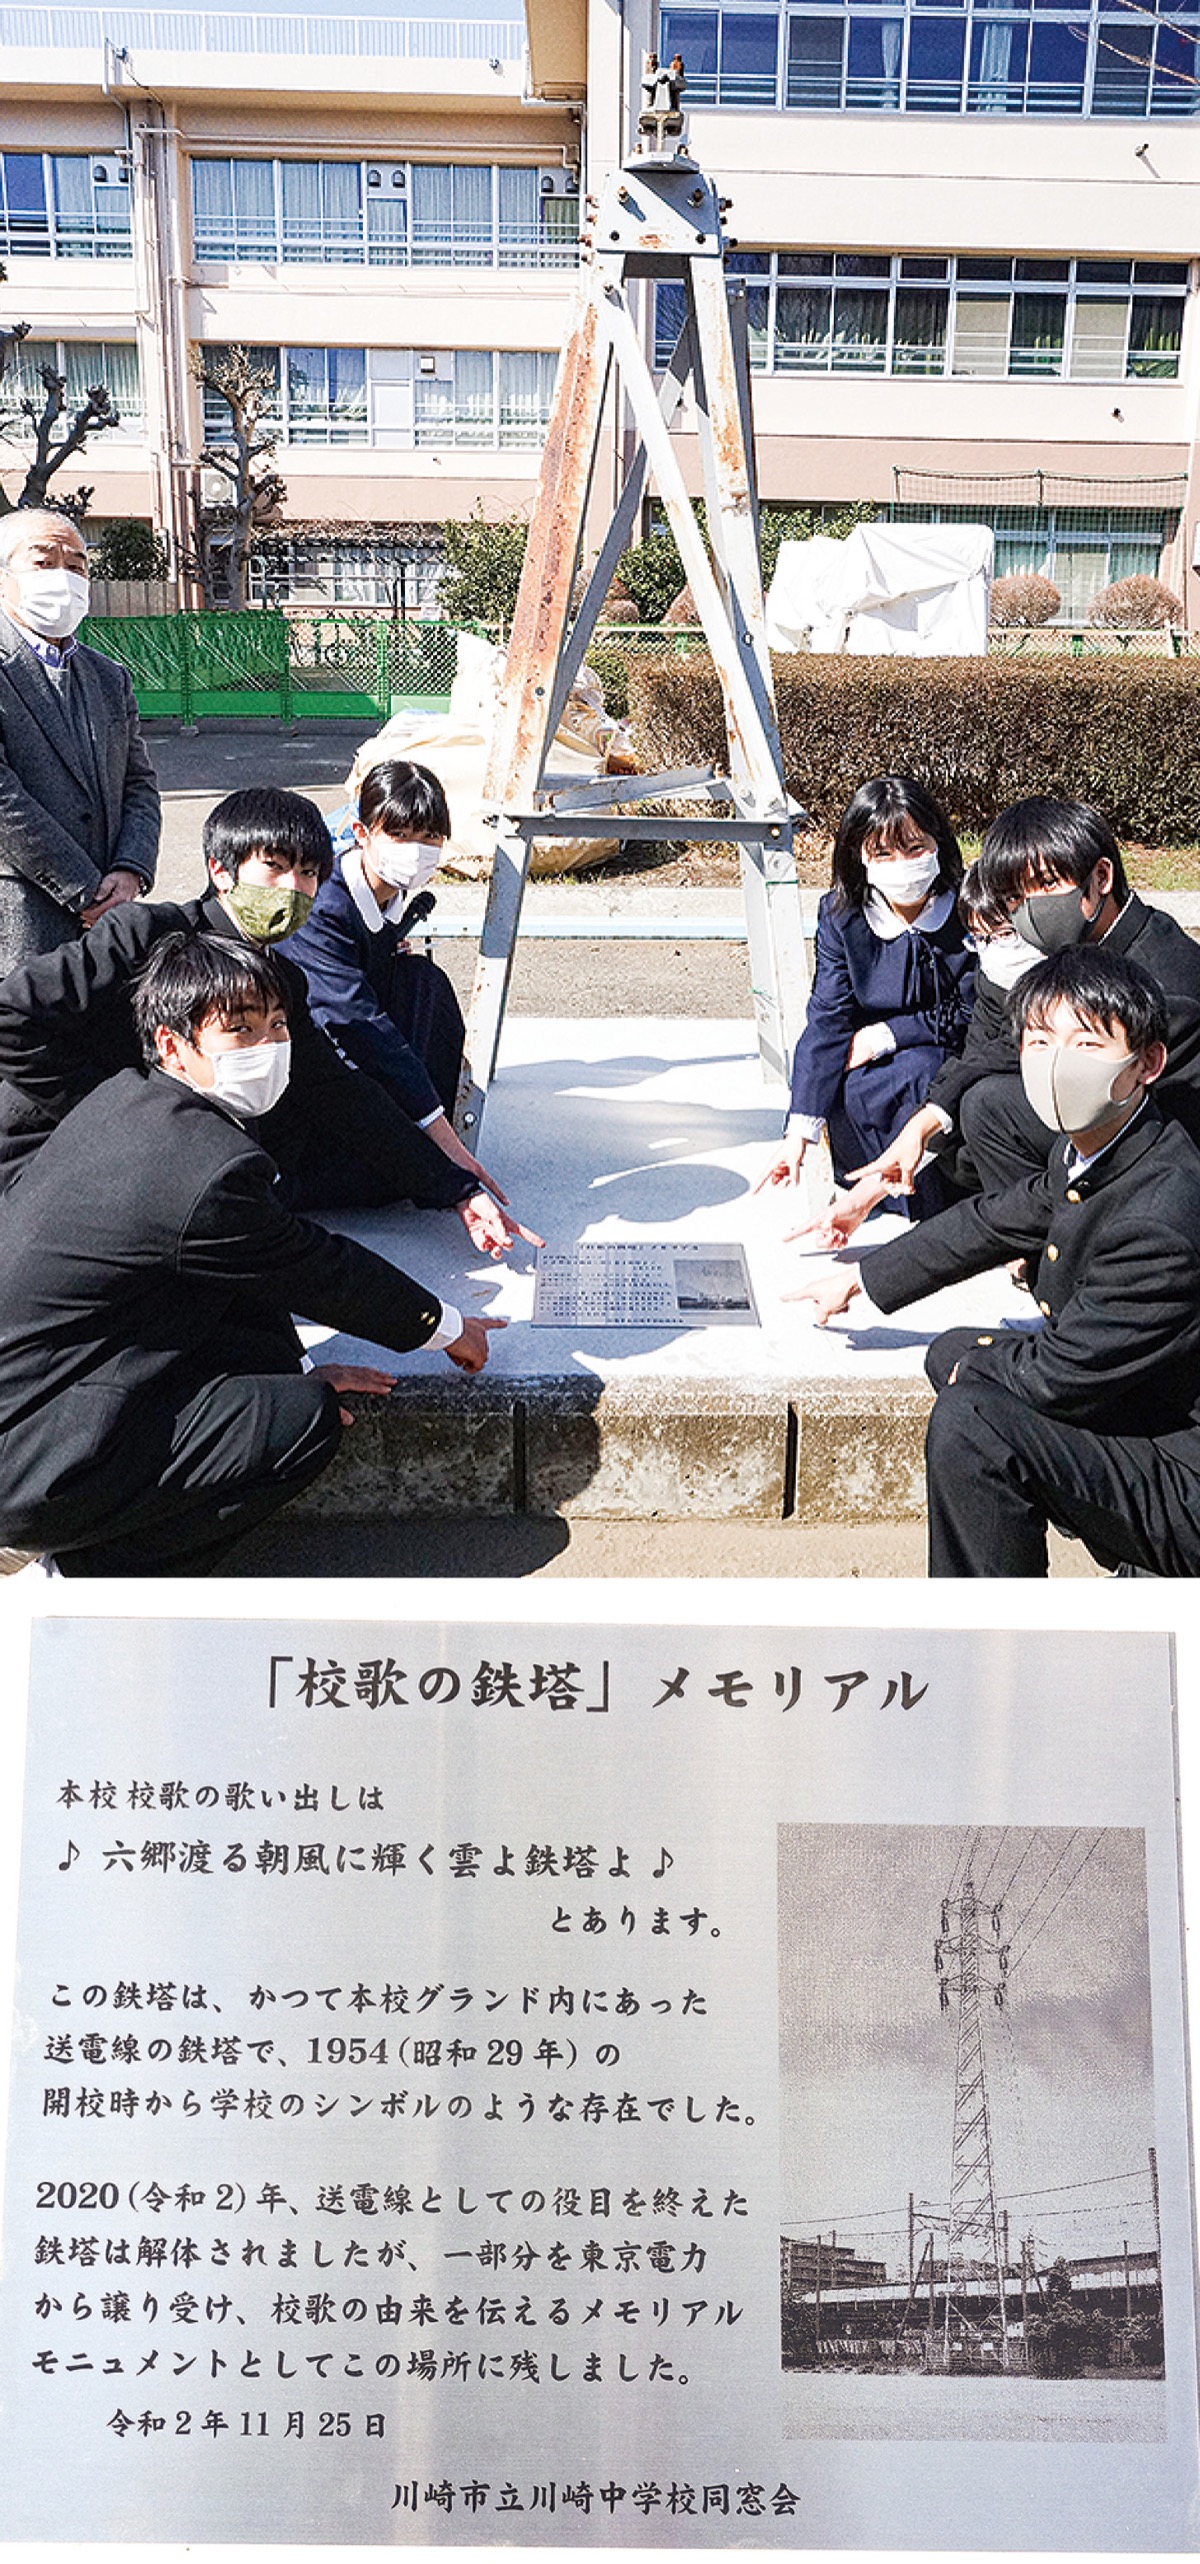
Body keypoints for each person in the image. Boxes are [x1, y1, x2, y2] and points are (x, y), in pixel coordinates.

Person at [0, 933, 504, 1578]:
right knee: (304, 1423)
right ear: (173, 1047)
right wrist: (448, 1329)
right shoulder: (205, 1168)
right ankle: (89, 1578)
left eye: (277, 1026)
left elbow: (245, 1274)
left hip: (43, 1394)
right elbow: (317, 1269)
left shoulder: (127, 1101)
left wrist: (284, 1366)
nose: (266, 1049)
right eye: (238, 1032)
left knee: (266, 1371)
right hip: (36, 1460)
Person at [789, 947, 1200, 1579]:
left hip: (1183, 1476)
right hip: (1139, 1401)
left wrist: (975, 1370)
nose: (1057, 1063)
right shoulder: (1102, 1143)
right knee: (952, 1360)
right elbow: (996, 1217)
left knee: (973, 1423)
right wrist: (861, 1278)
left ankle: (993, 1652)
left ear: (1146, 1063)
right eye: (1039, 1041)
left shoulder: (1161, 1214)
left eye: (1086, 1043)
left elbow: (1060, 1374)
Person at [0, 784, 538, 1259]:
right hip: (53, 1152)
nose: (292, 888)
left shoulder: (281, 976)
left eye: (308, 872)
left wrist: (455, 1188)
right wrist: (106, 1118)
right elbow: (11, 1015)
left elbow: (340, 1092)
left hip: (171, 1157)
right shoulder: (141, 935)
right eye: (274, 867)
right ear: (220, 870)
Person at [846, 797, 1200, 1213]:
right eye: (1014, 897)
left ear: (1101, 877)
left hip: (1167, 1162)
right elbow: (989, 1047)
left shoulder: (1160, 980)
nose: (1030, 910)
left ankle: (1058, 1242)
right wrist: (920, 1133)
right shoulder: (1060, 947)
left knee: (986, 1108)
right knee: (963, 1135)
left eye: (1047, 884)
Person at [756, 775, 975, 1220]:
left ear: (939, 843)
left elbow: (978, 1010)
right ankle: (872, 1189)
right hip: (867, 1064)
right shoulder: (843, 917)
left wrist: (889, 1035)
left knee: (923, 1075)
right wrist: (799, 1130)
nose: (903, 863)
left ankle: (927, 1202)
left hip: (949, 1053)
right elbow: (827, 1018)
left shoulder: (971, 905)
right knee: (846, 1087)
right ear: (860, 855)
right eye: (884, 853)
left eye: (915, 848)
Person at [287, 757, 495, 1191]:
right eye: (398, 834)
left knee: (423, 982)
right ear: (362, 833)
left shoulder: (391, 900)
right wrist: (444, 1143)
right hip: (309, 1062)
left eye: (429, 836)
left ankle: (422, 1134)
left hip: (356, 1039)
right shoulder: (324, 907)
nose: (415, 849)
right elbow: (361, 1028)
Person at [0, 507, 159, 972]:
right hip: (21, 924)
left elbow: (140, 784)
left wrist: (131, 870)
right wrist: (83, 888)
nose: (63, 577)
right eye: (43, 562)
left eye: (76, 566)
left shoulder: (109, 677)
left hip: (111, 924)